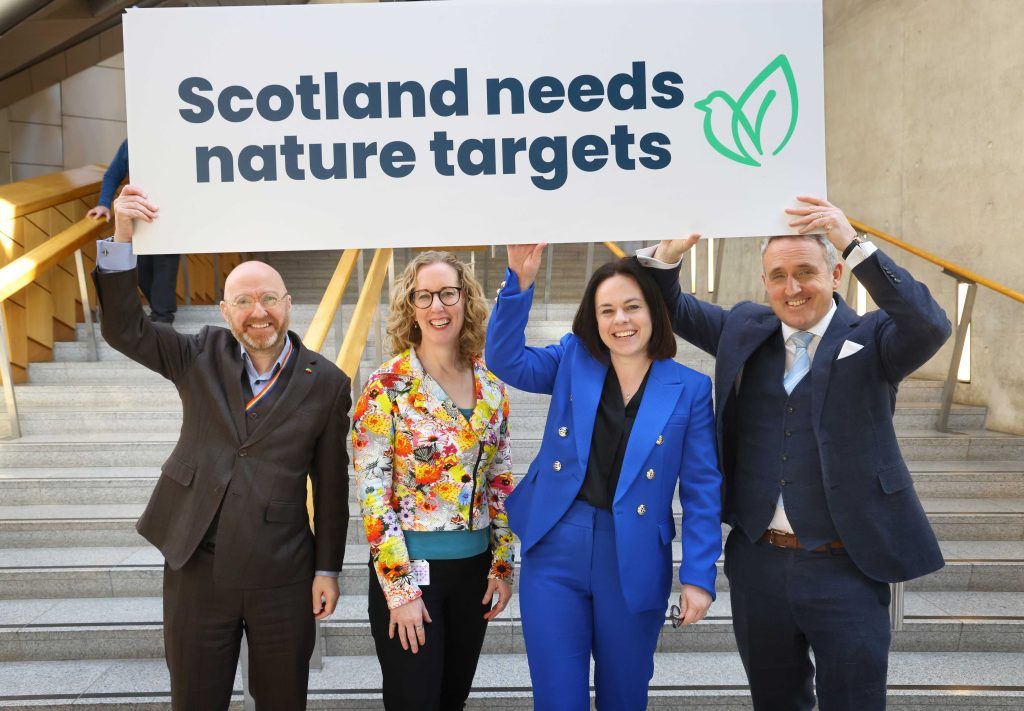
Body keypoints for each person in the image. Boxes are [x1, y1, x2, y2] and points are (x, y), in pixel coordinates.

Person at [638, 195, 951, 711]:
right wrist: (668, 255)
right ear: (764, 283)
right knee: (775, 699)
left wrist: (852, 240)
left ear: (835, 274)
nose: (792, 288)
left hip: (847, 564)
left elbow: (930, 324)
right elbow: (672, 307)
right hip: (759, 563)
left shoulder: (873, 338)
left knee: (854, 700)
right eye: (778, 276)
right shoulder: (744, 329)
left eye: (805, 272)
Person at [94, 185, 352, 710]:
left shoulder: (327, 381)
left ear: (288, 304)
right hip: (196, 562)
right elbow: (124, 329)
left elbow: (331, 485)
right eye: (244, 301)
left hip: (281, 571)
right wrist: (121, 234)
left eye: (268, 299)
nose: (258, 312)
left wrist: (328, 568)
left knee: (283, 699)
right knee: (195, 698)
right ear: (224, 309)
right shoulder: (198, 352)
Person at [484, 247, 723, 711]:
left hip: (632, 556)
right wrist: (520, 281)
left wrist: (698, 574)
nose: (621, 321)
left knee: (625, 697)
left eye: (632, 307)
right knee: (558, 699)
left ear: (654, 311)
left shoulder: (691, 389)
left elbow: (701, 491)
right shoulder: (574, 359)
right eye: (607, 310)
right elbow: (505, 360)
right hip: (556, 546)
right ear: (593, 320)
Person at [352, 251, 515, 711]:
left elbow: (500, 479)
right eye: (425, 296)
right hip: (410, 576)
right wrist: (399, 591)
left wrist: (503, 565)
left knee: (451, 699)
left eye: (448, 293)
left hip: (474, 575)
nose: (437, 306)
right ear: (411, 306)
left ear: (466, 300)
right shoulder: (387, 386)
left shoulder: (492, 384)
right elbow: (372, 495)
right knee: (414, 701)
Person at [88, 140, 180, 324]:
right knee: (140, 268)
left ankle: (162, 318)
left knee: (165, 267)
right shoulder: (131, 142)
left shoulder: (175, 137)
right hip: (139, 217)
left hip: (170, 216)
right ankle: (160, 309)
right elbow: (112, 175)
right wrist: (104, 204)